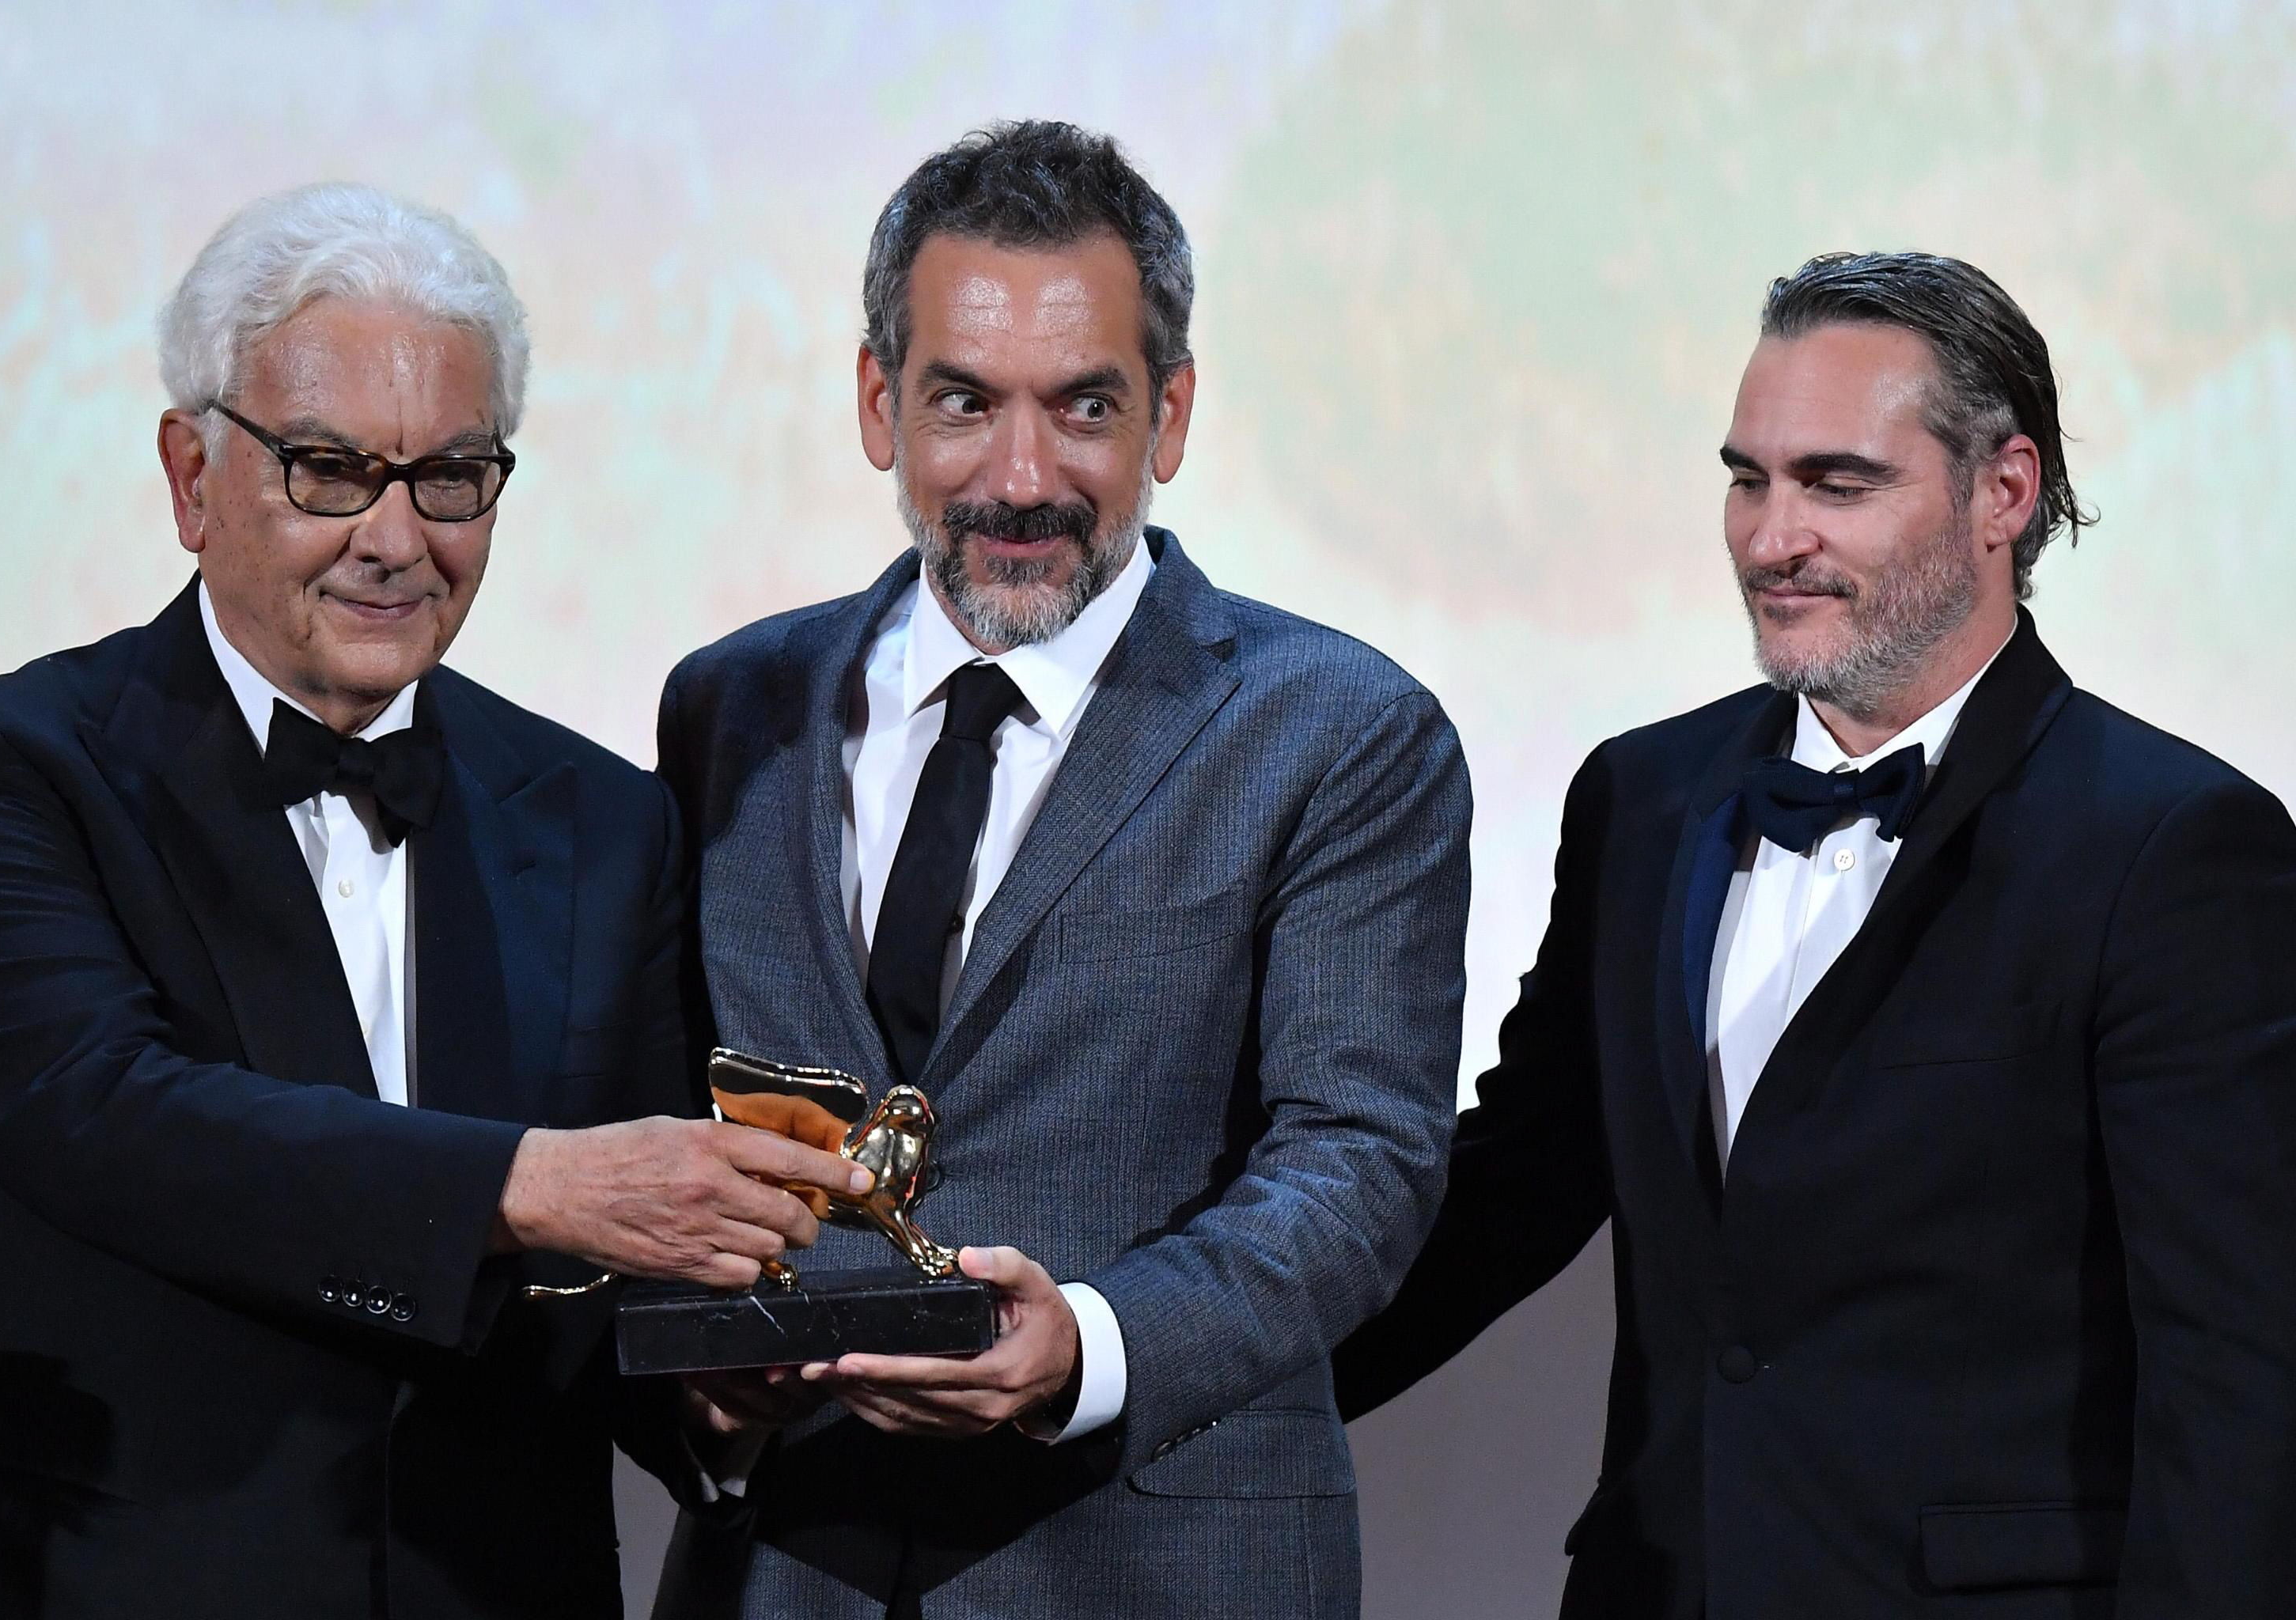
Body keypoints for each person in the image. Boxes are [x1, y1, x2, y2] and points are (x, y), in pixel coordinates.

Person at [0, 182, 866, 1619]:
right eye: (331, 469)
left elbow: (629, 1289)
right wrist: (534, 1186)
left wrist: (720, 1386)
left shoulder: (600, 820)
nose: (398, 538)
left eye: (452, 475)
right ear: (191, 478)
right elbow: (117, 1120)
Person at [1334, 252, 2296, 1616]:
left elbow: (2239, 1377)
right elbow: (1509, 1195)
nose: (1771, 537)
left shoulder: (2173, 848)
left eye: (1838, 485)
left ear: (2003, 494)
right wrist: (1151, 1365)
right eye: (1749, 478)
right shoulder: (1642, 797)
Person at [651, 121, 1472, 1618]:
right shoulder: (733, 707)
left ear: (1169, 417)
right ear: (877, 402)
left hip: (1156, 1567)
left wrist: (1093, 1344)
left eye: (1082, 407)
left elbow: (1363, 1156)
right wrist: (699, 1376)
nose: (1019, 477)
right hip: (789, 1568)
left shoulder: (1340, 730)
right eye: (964, 402)